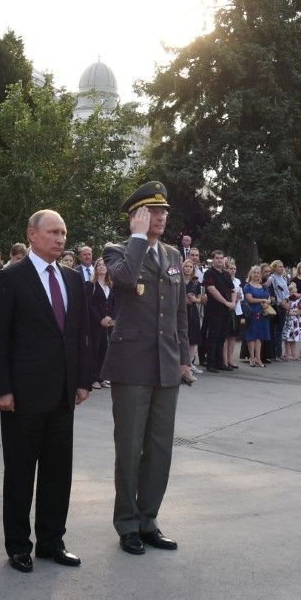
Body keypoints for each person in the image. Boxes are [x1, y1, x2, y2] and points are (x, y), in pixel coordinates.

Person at [0, 209, 94, 572]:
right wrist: (0, 389)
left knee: (57, 471)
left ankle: (52, 541)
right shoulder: (11, 277)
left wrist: (82, 380)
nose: (61, 239)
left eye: (63, 232)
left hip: (63, 393)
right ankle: (19, 544)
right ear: (32, 235)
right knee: (20, 472)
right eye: (53, 232)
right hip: (22, 394)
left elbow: (80, 334)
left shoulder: (72, 278)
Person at [102, 182, 190, 554]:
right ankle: (127, 523)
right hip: (132, 364)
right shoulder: (117, 250)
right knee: (130, 445)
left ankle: (149, 518)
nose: (161, 217)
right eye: (153, 211)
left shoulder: (172, 256)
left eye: (164, 211)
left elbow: (180, 311)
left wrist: (184, 357)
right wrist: (137, 239)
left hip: (166, 363)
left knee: (159, 448)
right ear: (136, 216)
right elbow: (122, 280)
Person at [202, 251, 235, 372]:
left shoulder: (226, 274)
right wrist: (226, 303)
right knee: (213, 336)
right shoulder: (209, 273)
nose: (220, 260)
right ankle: (211, 364)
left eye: (221, 258)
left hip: (227, 310)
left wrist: (233, 303)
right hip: (214, 309)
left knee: (222, 337)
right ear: (213, 260)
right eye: (217, 258)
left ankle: (220, 363)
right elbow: (212, 289)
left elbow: (233, 290)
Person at [84, 257, 114, 389]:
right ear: (95, 269)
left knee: (104, 349)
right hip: (94, 323)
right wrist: (99, 319)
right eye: (99, 265)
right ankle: (92, 378)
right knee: (94, 349)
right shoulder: (91, 285)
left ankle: (101, 377)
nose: (101, 267)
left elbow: (115, 304)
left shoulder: (111, 285)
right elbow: (89, 305)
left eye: (104, 265)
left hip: (108, 323)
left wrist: (110, 318)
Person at [242, 266, 271, 368]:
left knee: (260, 336)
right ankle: (251, 358)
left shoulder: (264, 287)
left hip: (263, 313)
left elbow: (269, 299)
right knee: (252, 336)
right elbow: (250, 299)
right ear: (251, 274)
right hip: (252, 313)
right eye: (254, 272)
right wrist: (263, 300)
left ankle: (258, 358)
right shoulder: (247, 286)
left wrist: (267, 302)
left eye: (258, 273)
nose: (256, 274)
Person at [182, 260, 205, 372]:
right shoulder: (178, 281)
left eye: (190, 266)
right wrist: (184, 300)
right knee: (183, 337)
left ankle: (190, 363)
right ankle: (182, 364)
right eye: (186, 266)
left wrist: (194, 299)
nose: (188, 268)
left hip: (193, 312)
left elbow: (200, 299)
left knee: (194, 338)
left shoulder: (196, 282)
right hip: (181, 312)